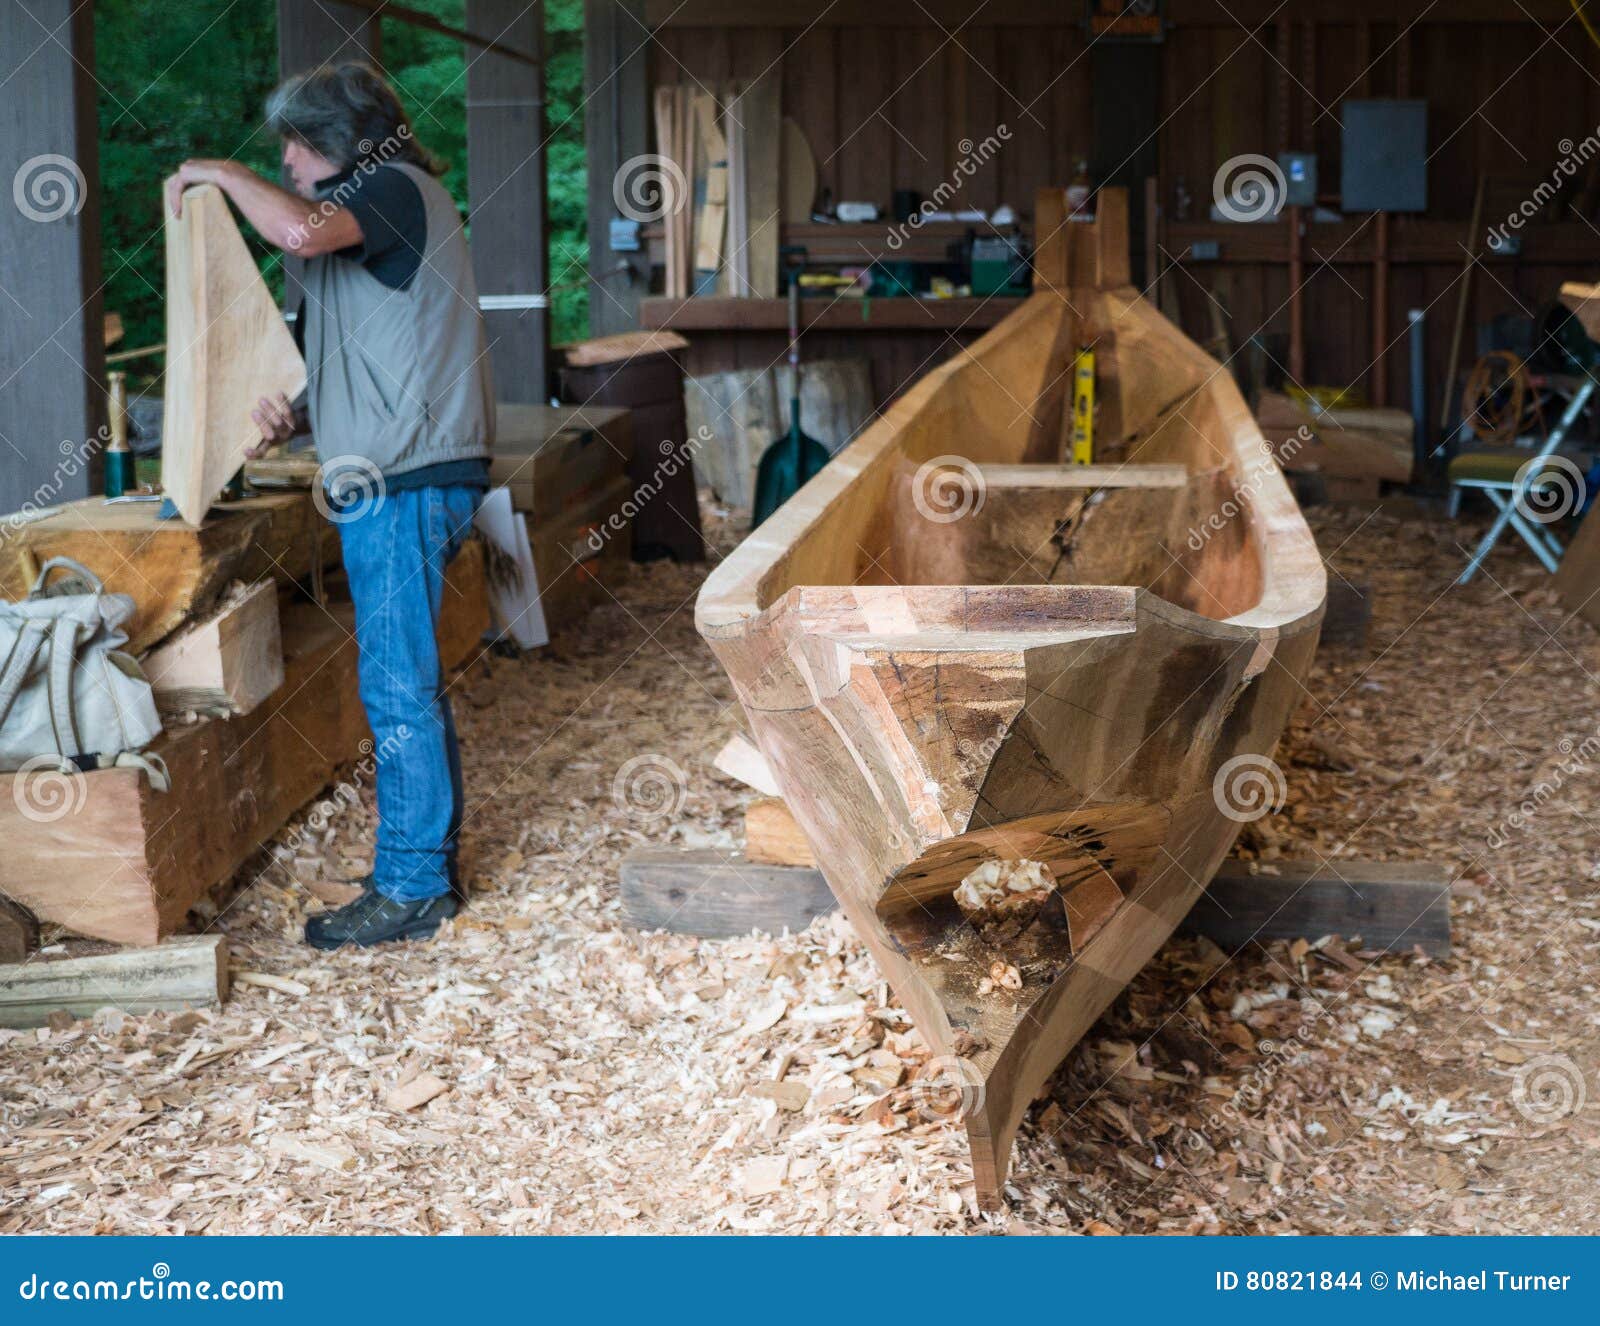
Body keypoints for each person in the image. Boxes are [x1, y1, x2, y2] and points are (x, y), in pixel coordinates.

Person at [166, 62, 494, 949]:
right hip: (384, 474)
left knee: (398, 687)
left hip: (408, 477)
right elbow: (369, 353)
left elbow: (298, 234)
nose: (282, 159)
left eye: (293, 144)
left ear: (339, 143)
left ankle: (417, 886)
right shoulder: (364, 224)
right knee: (398, 682)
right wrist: (297, 412)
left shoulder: (392, 188)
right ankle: (417, 873)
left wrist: (220, 173)